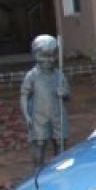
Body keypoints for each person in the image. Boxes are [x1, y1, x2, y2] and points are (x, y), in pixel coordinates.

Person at [20, 35, 70, 167]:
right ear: (35, 55)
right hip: (39, 117)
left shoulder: (59, 75)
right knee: (39, 144)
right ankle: (38, 171)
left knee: (60, 143)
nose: (49, 60)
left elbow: (68, 95)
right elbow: (24, 95)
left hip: (57, 115)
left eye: (53, 56)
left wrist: (64, 93)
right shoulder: (32, 76)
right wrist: (26, 115)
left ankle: (60, 169)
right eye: (44, 56)